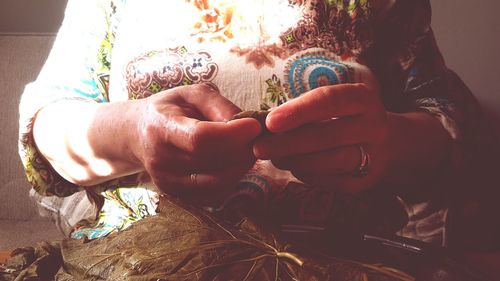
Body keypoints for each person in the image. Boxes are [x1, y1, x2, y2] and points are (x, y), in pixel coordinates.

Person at [18, 0, 499, 250]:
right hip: (147, 259)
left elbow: (454, 124)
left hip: (351, 257)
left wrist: (390, 144)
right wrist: (131, 131)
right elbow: (50, 124)